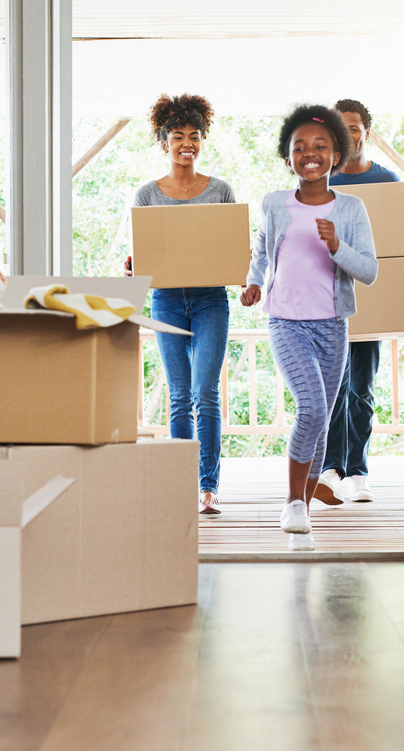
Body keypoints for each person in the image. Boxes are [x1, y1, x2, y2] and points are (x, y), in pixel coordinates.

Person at [241, 104, 378, 551]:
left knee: (320, 420)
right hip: (285, 321)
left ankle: (306, 495)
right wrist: (254, 284)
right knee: (314, 410)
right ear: (288, 158)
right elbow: (261, 251)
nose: (309, 154)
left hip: (332, 326)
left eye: (320, 146)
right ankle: (292, 502)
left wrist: (336, 245)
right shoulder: (273, 204)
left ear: (335, 154)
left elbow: (370, 271)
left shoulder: (352, 209)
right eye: (299, 147)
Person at [130, 94, 234, 516]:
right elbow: (145, 257)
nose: (186, 143)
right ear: (164, 143)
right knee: (178, 396)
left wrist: (246, 279)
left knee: (204, 392)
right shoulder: (146, 195)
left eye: (193, 136)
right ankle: (180, 486)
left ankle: (208, 488)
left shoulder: (221, 190)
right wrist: (135, 264)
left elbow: (230, 248)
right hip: (167, 300)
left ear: (202, 141)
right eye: (177, 136)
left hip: (210, 298)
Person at [316, 99, 401, 505]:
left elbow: (398, 245)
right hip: (331, 298)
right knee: (332, 388)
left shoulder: (388, 181)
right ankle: (329, 469)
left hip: (372, 296)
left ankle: (358, 471)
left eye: (354, 127)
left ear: (366, 132)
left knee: (362, 389)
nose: (348, 135)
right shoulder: (322, 182)